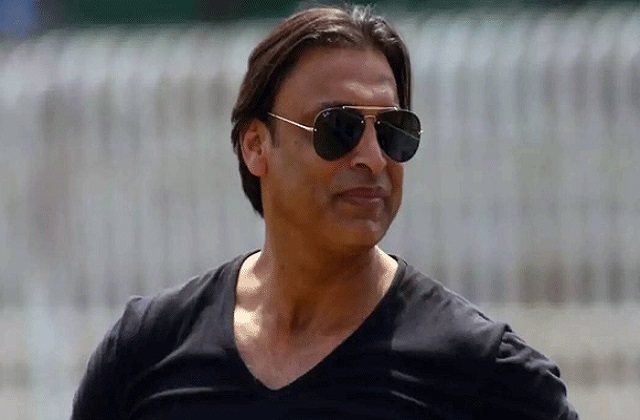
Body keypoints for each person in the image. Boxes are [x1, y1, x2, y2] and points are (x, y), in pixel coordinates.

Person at [71, 4, 579, 419]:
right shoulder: (146, 352)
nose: (373, 158)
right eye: (338, 127)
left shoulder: (484, 375)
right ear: (256, 146)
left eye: (393, 131)